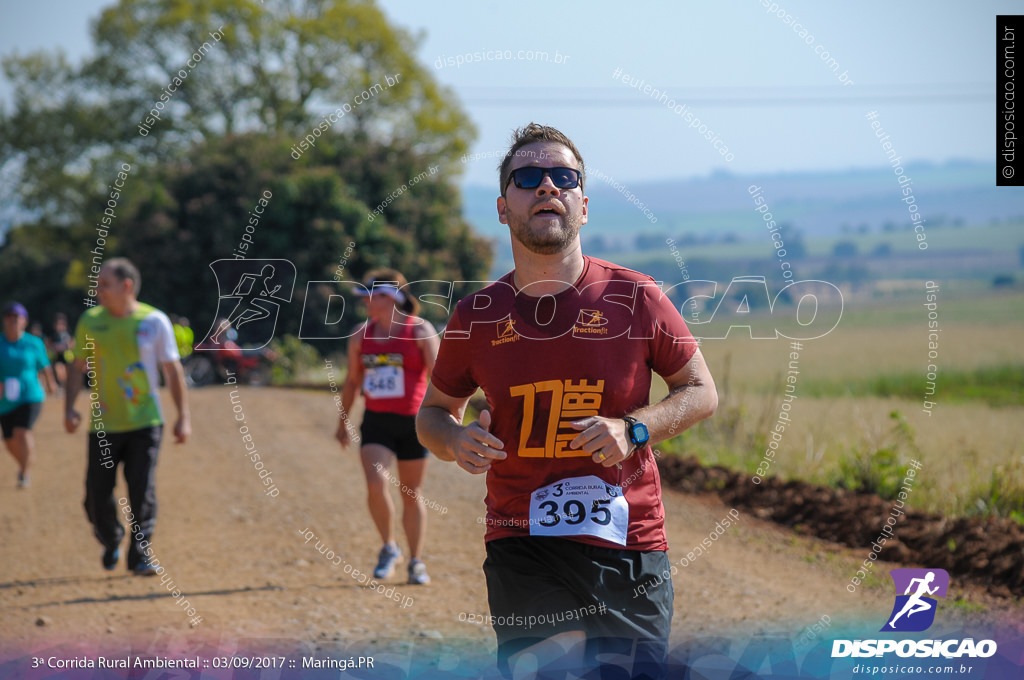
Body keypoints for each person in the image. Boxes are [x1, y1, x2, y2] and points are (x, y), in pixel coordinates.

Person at [416, 124, 718, 679]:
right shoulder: (476, 317)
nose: (546, 186)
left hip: (628, 538)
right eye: (527, 177)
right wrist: (454, 439)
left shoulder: (637, 296)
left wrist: (635, 428)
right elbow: (432, 413)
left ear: (584, 204)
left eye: (563, 177)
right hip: (522, 537)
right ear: (504, 208)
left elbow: (701, 392)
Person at [64, 258, 191, 575]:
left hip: (146, 422)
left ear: (127, 286)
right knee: (96, 495)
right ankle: (111, 539)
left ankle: (140, 556)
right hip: (104, 425)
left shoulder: (154, 321)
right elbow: (77, 366)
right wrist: (69, 407)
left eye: (105, 285)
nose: (99, 291)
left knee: (141, 490)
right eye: (97, 285)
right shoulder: (90, 321)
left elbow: (172, 371)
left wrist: (182, 416)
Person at [336, 268, 439, 585]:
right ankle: (388, 548)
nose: (365, 302)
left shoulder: (420, 331)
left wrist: (448, 418)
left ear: (389, 298)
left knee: (411, 494)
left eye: (370, 296)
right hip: (377, 422)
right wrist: (342, 421)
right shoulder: (359, 335)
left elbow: (441, 379)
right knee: (375, 482)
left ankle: (416, 561)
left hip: (414, 423)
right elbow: (353, 381)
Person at [1, 302, 55, 488]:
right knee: (9, 442)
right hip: (5, 399)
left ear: (24, 320)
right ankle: (26, 461)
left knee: (22, 432)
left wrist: (51, 383)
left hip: (30, 395)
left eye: (17, 317)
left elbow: (45, 365)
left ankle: (25, 472)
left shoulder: (33, 343)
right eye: (9, 316)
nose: (12, 320)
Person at [49, 312, 75, 389]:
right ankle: (62, 386)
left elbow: (72, 343)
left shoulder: (67, 334)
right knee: (60, 372)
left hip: (67, 357)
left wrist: (69, 346)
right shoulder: (54, 335)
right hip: (58, 357)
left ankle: (67, 387)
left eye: (62, 324)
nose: (60, 326)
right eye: (58, 324)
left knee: (68, 374)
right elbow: (49, 345)